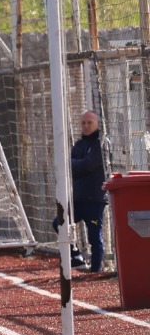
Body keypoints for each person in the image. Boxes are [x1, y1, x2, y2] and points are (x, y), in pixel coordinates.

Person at [60, 110, 109, 273]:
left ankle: (96, 271)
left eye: (90, 123)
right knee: (59, 223)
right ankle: (76, 255)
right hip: (78, 199)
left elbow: (89, 164)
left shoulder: (101, 143)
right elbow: (69, 166)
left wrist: (77, 164)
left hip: (95, 199)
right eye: (84, 123)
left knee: (94, 237)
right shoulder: (79, 145)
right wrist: (79, 165)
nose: (86, 126)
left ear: (97, 124)